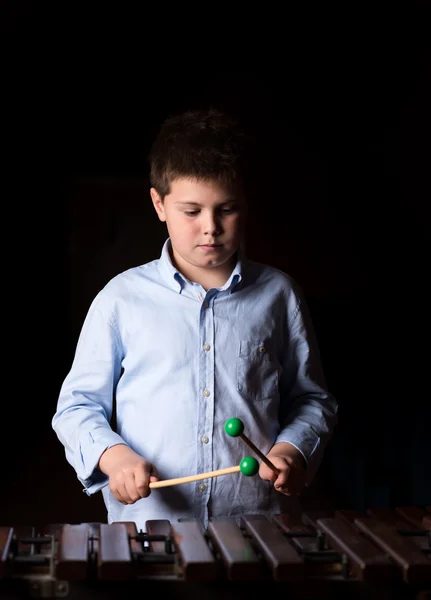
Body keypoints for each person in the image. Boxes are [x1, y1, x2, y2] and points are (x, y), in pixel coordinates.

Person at [52, 107, 338, 532]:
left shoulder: (279, 295)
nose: (210, 228)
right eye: (191, 211)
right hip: (150, 525)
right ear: (159, 204)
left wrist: (292, 450)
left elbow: (312, 400)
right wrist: (115, 457)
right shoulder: (121, 299)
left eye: (227, 209)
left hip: (255, 524)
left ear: (246, 204)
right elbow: (76, 407)